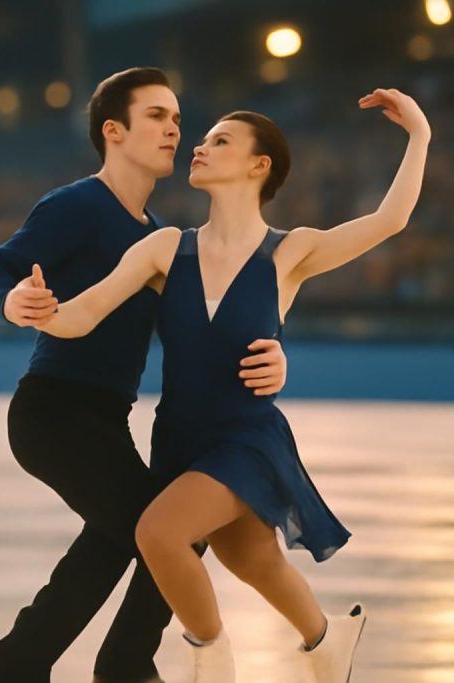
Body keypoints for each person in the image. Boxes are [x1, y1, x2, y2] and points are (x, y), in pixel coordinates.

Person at [34, 88, 429, 681]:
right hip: (180, 441)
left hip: (245, 438)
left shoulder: (290, 251)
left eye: (220, 140)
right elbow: (83, 314)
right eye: (203, 138)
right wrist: (35, 308)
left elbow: (391, 220)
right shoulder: (166, 248)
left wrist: (419, 134)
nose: (199, 145)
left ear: (257, 165)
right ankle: (328, 640)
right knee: (253, 560)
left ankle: (212, 665)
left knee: (158, 534)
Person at [0, 67, 288, 683]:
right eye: (156, 116)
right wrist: (9, 301)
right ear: (113, 131)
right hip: (54, 413)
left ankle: (25, 668)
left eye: (176, 117)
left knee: (141, 535)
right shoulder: (77, 204)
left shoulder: (160, 238)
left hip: (108, 421)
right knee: (157, 532)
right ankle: (116, 666)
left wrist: (278, 355)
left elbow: (218, 327)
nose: (174, 127)